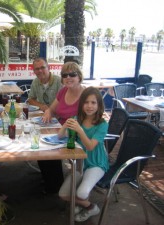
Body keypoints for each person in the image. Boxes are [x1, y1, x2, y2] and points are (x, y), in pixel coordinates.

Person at [58, 87, 109, 222]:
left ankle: (92, 208)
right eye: (86, 102)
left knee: (81, 193)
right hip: (80, 163)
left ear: (99, 105)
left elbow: (90, 146)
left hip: (96, 163)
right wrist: (64, 126)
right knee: (63, 194)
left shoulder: (102, 124)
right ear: (81, 104)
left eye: (93, 102)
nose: (89, 106)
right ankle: (86, 205)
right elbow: (60, 136)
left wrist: (80, 130)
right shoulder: (77, 119)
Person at [39, 62, 85, 194]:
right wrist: (48, 112)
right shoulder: (63, 91)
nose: (68, 77)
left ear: (79, 76)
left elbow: (91, 121)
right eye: (65, 75)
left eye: (72, 74)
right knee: (42, 149)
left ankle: (55, 185)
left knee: (46, 150)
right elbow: (52, 109)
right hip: (61, 130)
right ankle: (52, 183)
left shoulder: (86, 94)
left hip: (77, 135)